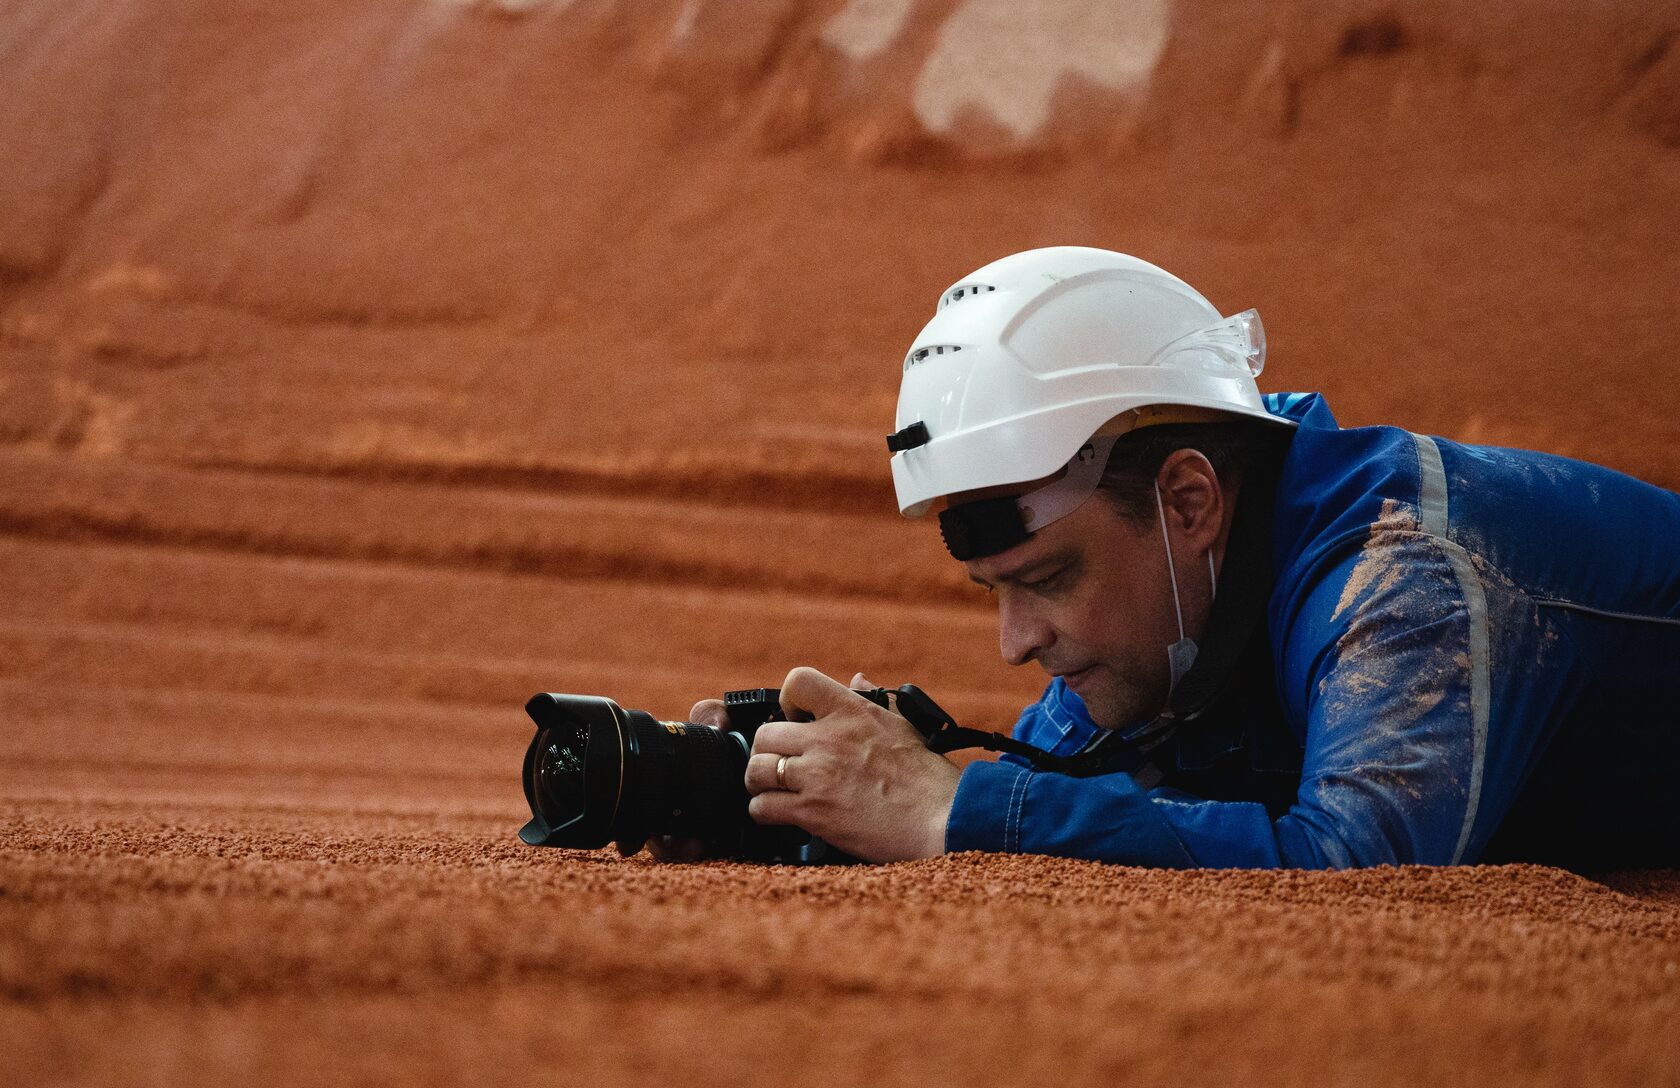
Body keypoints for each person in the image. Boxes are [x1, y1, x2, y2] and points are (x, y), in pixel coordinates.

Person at [679, 246, 1680, 870]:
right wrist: (820, 798)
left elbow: (1363, 864)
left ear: (1188, 500)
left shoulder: (1399, 580)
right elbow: (1064, 792)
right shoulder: (1168, 601)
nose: (1015, 643)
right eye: (996, 590)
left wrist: (953, 808)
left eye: (1049, 579)